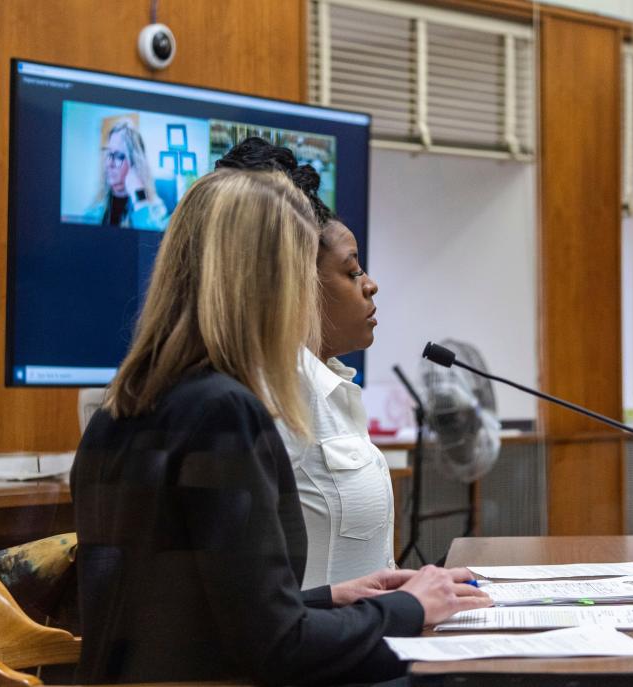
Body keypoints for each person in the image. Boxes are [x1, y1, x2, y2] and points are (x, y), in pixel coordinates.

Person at [71, 168, 489, 685]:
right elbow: (276, 650)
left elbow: (197, 616)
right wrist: (407, 608)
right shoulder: (224, 413)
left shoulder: (122, 407)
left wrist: (334, 596)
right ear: (268, 284)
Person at [216, 138, 392, 589]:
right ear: (294, 280)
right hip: (320, 650)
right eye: (352, 272)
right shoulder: (271, 390)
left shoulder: (331, 384)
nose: (370, 286)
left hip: (368, 636)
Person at [84, 119, 168, 230]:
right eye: (109, 154)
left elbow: (153, 244)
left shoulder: (156, 208)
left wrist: (140, 200)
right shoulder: (96, 208)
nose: (109, 163)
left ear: (135, 164)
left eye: (118, 156)